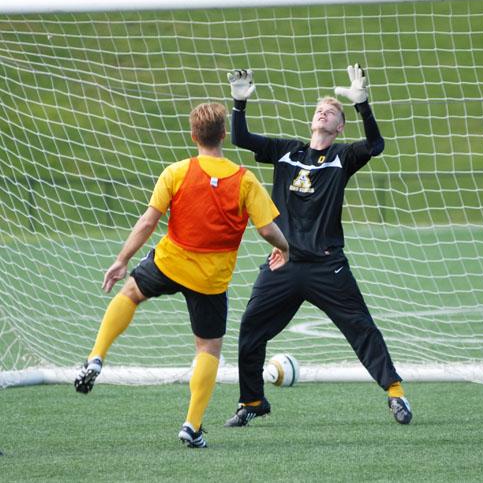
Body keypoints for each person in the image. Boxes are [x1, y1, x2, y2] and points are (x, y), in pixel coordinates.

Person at [74, 102, 289, 448]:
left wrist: (121, 259)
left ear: (193, 136)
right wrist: (286, 247)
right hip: (210, 279)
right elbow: (268, 231)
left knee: (129, 293)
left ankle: (96, 355)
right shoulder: (244, 180)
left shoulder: (175, 172)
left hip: (169, 262)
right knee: (208, 348)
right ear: (223, 135)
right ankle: (192, 425)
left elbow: (148, 222)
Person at [223, 65, 412, 427]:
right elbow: (240, 138)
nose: (323, 112)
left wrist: (362, 105)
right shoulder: (286, 151)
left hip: (328, 266)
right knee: (250, 330)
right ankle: (252, 401)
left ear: (339, 127)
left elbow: (376, 146)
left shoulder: (342, 156)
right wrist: (239, 101)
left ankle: (395, 393)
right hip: (284, 263)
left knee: (362, 327)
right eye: (319, 111)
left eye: (331, 112)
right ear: (312, 122)